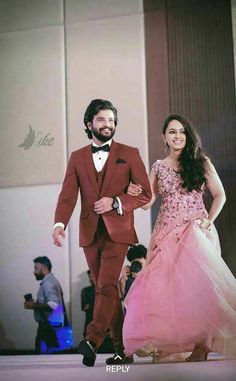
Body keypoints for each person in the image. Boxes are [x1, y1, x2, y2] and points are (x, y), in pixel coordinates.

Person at [123, 114, 236, 362]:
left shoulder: (200, 162)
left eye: (182, 132)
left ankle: (202, 344)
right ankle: (168, 342)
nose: (177, 136)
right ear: (164, 137)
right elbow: (148, 202)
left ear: (188, 135)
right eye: (172, 132)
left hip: (194, 230)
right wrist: (134, 192)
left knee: (199, 289)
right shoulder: (158, 167)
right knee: (167, 289)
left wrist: (208, 220)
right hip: (165, 232)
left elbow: (220, 195)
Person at [52, 99, 151, 366]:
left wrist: (117, 201)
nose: (107, 124)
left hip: (118, 232)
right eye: (101, 120)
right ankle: (122, 351)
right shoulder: (76, 157)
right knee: (105, 291)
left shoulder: (129, 153)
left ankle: (91, 341)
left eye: (111, 120)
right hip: (89, 233)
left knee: (106, 285)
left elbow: (145, 193)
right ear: (89, 124)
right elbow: (67, 196)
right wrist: (59, 224)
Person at [24, 256, 64, 354]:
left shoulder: (48, 283)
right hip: (51, 324)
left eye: (36, 268)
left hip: (48, 325)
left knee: (43, 354)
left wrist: (32, 306)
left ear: (45, 269)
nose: (34, 272)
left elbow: (54, 304)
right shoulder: (51, 281)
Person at [81, 270, 95, 338]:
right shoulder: (86, 291)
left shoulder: (103, 290)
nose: (91, 279)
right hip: (90, 324)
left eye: (93, 276)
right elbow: (85, 307)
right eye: (89, 276)